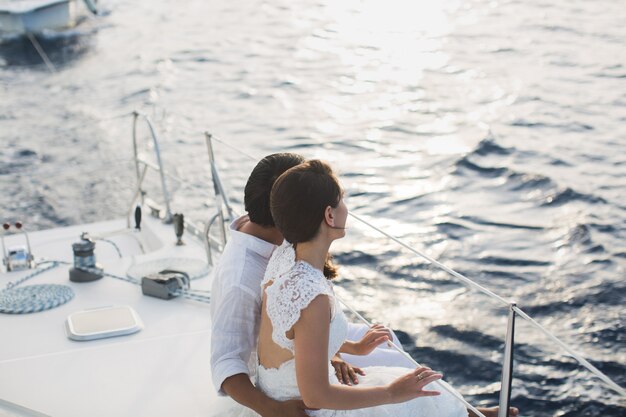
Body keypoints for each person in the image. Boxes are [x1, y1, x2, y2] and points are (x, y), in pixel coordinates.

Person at [253, 159, 519, 417]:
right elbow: (316, 397)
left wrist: (354, 348)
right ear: (329, 215)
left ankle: (469, 414)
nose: (346, 207)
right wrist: (392, 393)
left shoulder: (284, 259)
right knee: (414, 396)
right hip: (310, 408)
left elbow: (295, 338)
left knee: (424, 390)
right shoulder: (313, 296)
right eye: (342, 199)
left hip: (277, 389)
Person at [210, 153, 411, 417]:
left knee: (389, 344)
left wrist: (333, 354)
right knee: (406, 386)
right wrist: (273, 409)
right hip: (283, 380)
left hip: (305, 348)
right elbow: (226, 362)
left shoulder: (284, 244)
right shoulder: (240, 279)